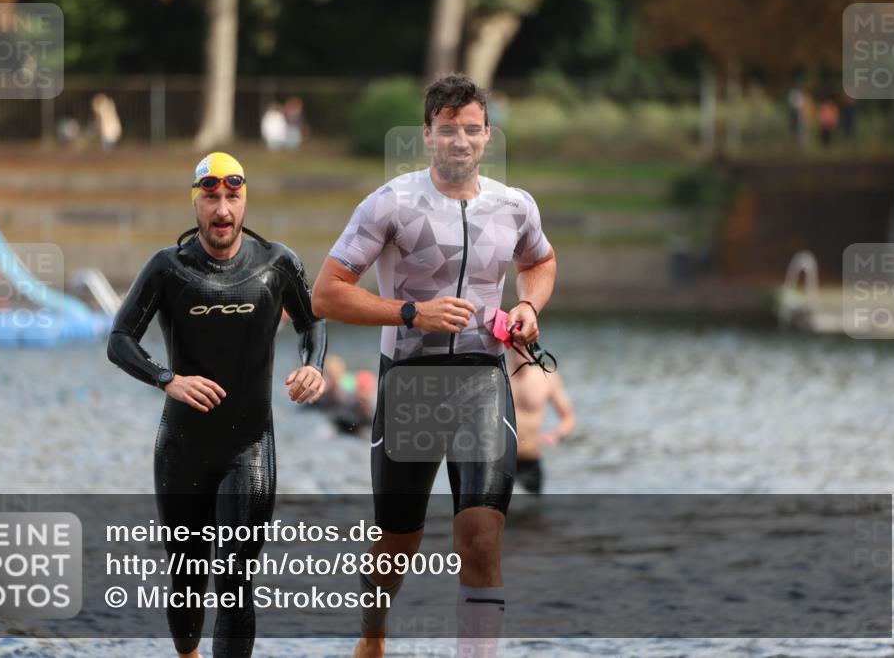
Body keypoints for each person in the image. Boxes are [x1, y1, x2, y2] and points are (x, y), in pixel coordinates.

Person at [312, 74, 557, 658]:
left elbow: (541, 263)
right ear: (427, 135)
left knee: (480, 538)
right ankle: (372, 635)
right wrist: (410, 312)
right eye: (448, 130)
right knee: (398, 544)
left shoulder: (514, 205)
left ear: (487, 135)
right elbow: (327, 293)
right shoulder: (391, 203)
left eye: (472, 130)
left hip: (482, 382)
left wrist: (526, 304)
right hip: (411, 386)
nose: (461, 141)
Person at [107, 151, 327, 658]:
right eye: (211, 198)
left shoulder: (277, 263)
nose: (222, 210)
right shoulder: (168, 269)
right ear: (196, 203)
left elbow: (313, 321)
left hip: (247, 448)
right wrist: (167, 379)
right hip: (181, 446)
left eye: (232, 196)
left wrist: (313, 364)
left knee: (234, 579)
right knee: (187, 574)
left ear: (245, 200)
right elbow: (119, 339)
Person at [506, 344, 576, 494]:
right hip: (499, 460)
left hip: (529, 460)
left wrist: (556, 434)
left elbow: (568, 417)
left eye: (524, 347)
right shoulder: (498, 375)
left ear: (533, 348)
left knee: (532, 514)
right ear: (509, 348)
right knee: (492, 514)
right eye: (516, 347)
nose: (520, 352)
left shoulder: (547, 377)